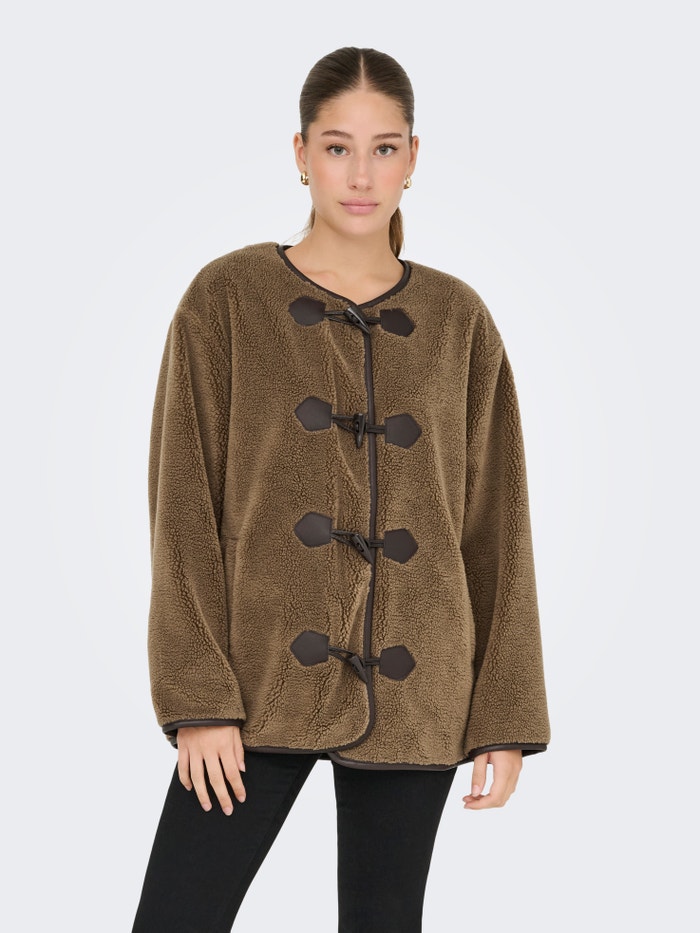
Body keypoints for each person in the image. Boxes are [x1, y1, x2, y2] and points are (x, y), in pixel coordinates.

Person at [131, 46, 550, 933]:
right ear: (300, 153)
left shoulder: (458, 319)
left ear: (413, 157)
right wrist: (199, 696)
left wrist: (504, 711)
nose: (361, 175)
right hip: (253, 678)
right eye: (337, 147)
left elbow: (499, 528)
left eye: (384, 148)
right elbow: (181, 509)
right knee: (176, 917)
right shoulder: (227, 298)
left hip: (420, 678)